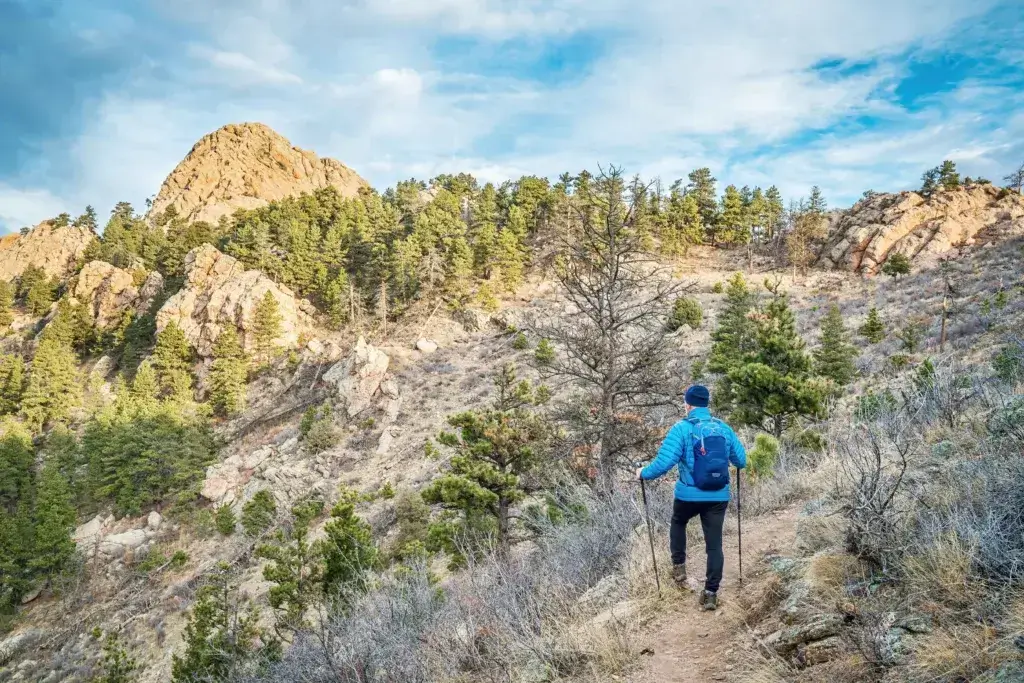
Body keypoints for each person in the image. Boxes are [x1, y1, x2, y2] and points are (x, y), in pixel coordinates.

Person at [635, 384, 746, 611]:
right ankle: (711, 593)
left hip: (688, 495)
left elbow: (664, 463)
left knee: (679, 521)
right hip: (718, 496)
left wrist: (643, 473)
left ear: (688, 404)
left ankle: (679, 569)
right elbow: (741, 461)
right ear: (706, 403)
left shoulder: (682, 429)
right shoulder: (723, 428)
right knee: (714, 544)